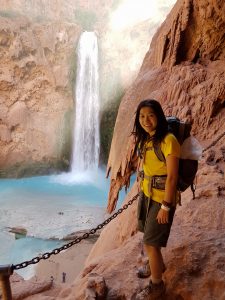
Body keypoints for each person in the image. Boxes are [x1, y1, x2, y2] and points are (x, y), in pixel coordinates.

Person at [133, 99, 180, 299]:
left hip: (162, 200)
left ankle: (157, 285)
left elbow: (172, 177)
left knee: (151, 244)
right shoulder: (146, 139)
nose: (146, 120)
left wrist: (166, 207)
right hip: (147, 196)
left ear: (159, 116)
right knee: (149, 238)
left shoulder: (169, 141)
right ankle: (157, 266)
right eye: (142, 116)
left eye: (150, 115)